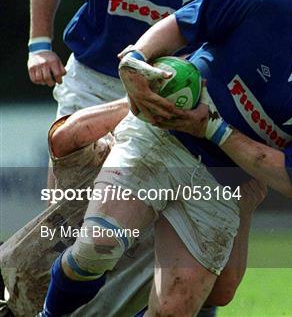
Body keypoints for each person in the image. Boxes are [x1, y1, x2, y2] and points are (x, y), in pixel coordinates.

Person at [38, 0, 292, 316]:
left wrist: (214, 129)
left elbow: (289, 178)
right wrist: (137, 58)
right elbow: (183, 23)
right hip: (162, 138)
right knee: (97, 247)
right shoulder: (269, 1)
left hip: (225, 181)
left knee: (178, 308)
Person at [21, 0, 265, 317]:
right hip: (94, 83)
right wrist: (39, 44)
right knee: (68, 221)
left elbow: (246, 41)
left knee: (178, 235)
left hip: (171, 99)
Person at [0, 99, 266, 316]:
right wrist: (150, 102)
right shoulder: (119, 157)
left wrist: (244, 206)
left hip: (104, 306)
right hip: (27, 295)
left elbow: (220, 293)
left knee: (192, 303)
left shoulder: (210, 195)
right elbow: (65, 137)